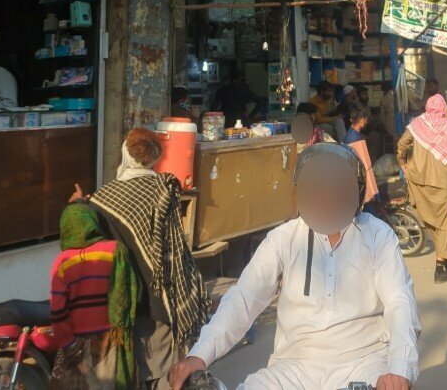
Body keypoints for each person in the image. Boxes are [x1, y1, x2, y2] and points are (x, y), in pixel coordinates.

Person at [169, 143, 420, 390]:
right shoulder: (284, 238)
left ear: (355, 190)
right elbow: (244, 298)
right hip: (293, 366)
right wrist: (199, 355)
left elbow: (400, 301)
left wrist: (398, 369)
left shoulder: (377, 235)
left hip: (364, 361)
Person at [73, 127, 210, 388]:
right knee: (159, 372)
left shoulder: (101, 199)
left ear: (125, 153)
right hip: (157, 300)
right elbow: (173, 249)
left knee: (129, 368)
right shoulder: (162, 189)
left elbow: (88, 241)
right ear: (155, 157)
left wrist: (78, 205)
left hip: (120, 302)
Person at [50, 203, 138, 389]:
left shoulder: (62, 262)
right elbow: (131, 294)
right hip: (110, 341)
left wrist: (68, 346)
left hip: (76, 343)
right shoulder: (116, 250)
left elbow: (57, 311)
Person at [397, 94, 447, 284]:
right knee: (445, 223)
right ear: (443, 108)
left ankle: (446, 259)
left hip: (419, 180)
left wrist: (403, 164)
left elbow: (401, 145)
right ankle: (440, 268)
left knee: (431, 221)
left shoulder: (416, 125)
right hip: (444, 181)